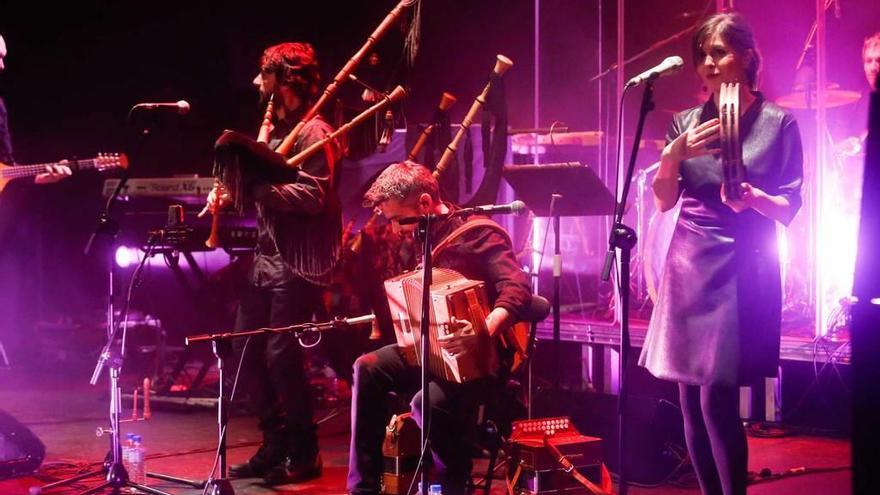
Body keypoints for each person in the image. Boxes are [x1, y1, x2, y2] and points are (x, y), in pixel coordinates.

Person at [639, 12, 803, 495]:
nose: (709, 63)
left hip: (742, 262)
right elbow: (665, 201)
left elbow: (790, 206)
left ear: (747, 56)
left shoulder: (778, 123)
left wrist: (751, 197)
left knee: (717, 400)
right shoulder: (684, 123)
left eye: (720, 52)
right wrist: (672, 157)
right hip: (689, 258)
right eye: (703, 56)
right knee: (689, 398)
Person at [200, 41, 340, 486]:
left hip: (297, 261)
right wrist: (232, 190)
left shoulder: (315, 131)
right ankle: (275, 445)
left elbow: (316, 195)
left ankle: (305, 452)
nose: (257, 83)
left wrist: (256, 190)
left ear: (285, 79)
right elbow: (258, 186)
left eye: (265, 74)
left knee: (281, 356)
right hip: (264, 258)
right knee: (245, 352)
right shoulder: (276, 133)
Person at [347, 161, 531, 495]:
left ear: (425, 204)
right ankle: (363, 489)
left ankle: (451, 486)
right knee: (368, 368)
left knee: (425, 402)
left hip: (482, 359)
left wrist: (481, 331)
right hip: (432, 350)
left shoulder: (478, 234)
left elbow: (517, 289)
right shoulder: (425, 233)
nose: (395, 229)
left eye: (398, 219)